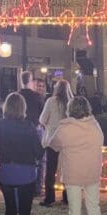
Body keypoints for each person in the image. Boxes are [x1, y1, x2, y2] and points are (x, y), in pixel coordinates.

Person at [50, 95, 104, 215]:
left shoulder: (65, 128)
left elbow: (54, 144)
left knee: (75, 210)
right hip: (92, 171)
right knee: (94, 206)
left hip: (73, 172)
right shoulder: (95, 126)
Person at [39, 78, 72, 206]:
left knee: (50, 169)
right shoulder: (71, 103)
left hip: (52, 139)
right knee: (67, 170)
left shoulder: (51, 102)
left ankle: (49, 197)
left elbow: (42, 119)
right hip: (67, 141)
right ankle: (67, 196)